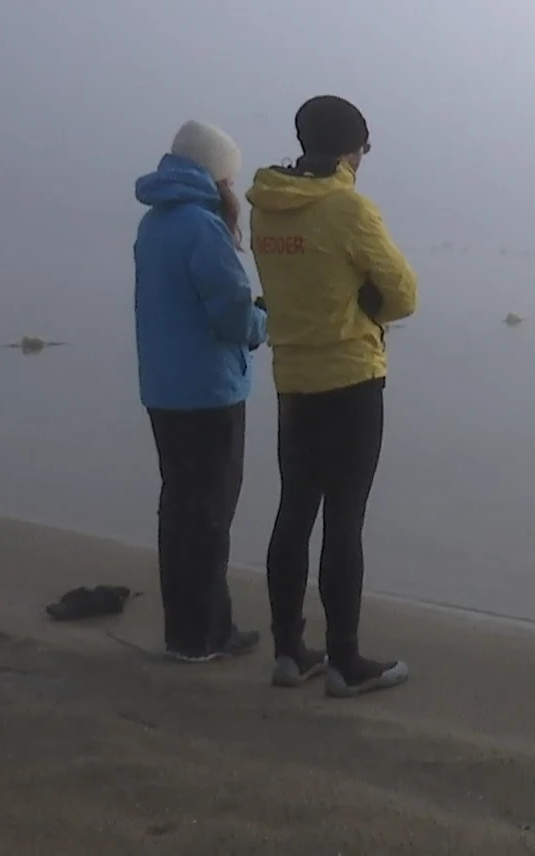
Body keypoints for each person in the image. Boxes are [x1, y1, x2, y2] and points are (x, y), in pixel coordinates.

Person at [248, 95, 417, 698]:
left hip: (292, 380)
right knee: (344, 520)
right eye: (363, 149)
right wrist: (369, 303)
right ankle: (345, 662)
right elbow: (402, 293)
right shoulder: (348, 208)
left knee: (294, 512)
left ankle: (289, 651)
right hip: (350, 380)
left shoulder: (264, 209)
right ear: (350, 149)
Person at [135, 121, 268, 663]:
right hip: (209, 392)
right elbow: (234, 311)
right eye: (230, 174)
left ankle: (187, 630)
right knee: (210, 514)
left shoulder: (154, 223)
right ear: (215, 173)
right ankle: (204, 636)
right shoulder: (202, 228)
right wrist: (263, 322)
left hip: (163, 388)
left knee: (180, 509)